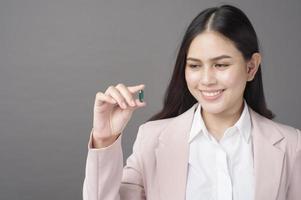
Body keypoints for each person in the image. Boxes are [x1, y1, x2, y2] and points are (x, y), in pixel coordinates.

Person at [82, 4, 301, 200]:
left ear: (251, 67)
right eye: (195, 66)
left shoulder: (292, 145)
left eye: (221, 65)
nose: (206, 80)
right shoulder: (151, 139)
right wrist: (104, 139)